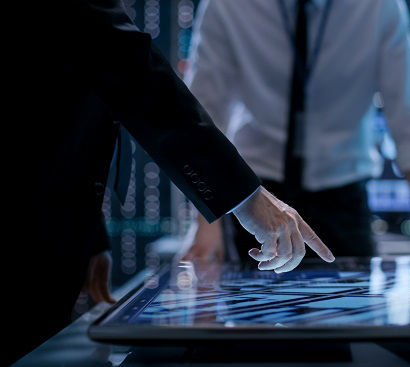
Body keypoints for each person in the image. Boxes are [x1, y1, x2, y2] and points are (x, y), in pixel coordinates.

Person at [7, 0, 333, 364]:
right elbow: (128, 65)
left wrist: (90, 229)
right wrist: (246, 196)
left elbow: (77, 67)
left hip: (55, 218)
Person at [182, 0, 410, 263]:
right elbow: (205, 111)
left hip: (343, 196)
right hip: (256, 194)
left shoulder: (378, 6)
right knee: (253, 302)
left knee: (351, 301)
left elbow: (407, 112)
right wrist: (205, 222)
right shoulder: (227, 5)